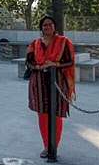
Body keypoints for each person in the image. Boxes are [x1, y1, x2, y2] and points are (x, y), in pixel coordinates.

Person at [25, 15, 75, 158]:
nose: (47, 27)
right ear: (41, 28)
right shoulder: (34, 43)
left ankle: (54, 146)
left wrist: (55, 64)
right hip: (38, 82)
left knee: (56, 114)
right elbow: (28, 62)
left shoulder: (64, 42)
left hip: (57, 81)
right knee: (42, 114)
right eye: (45, 25)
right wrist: (39, 67)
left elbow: (70, 61)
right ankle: (46, 145)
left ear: (55, 26)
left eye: (50, 24)